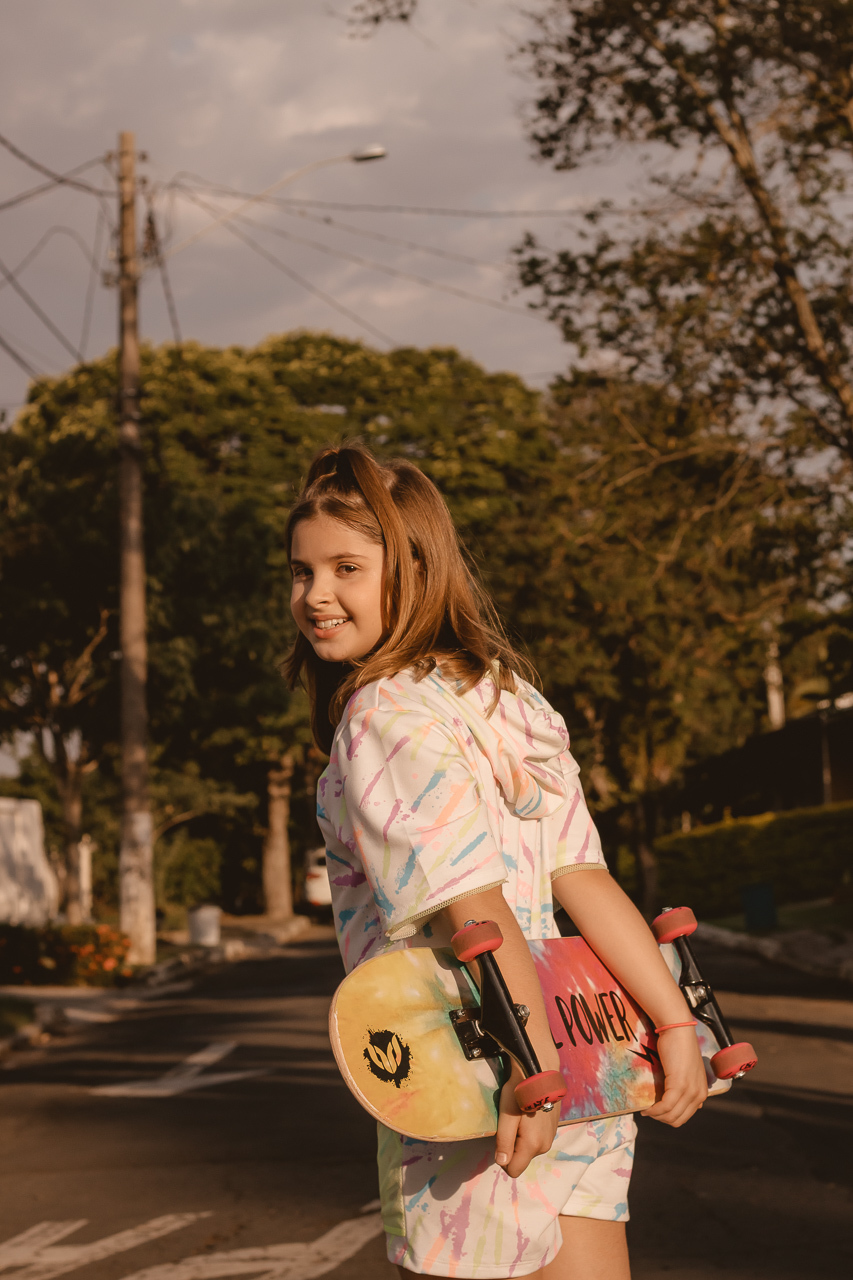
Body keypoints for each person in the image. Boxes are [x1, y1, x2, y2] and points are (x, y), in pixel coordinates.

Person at [284, 443, 707, 1280]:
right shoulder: (506, 694)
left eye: (345, 568)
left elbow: (473, 911)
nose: (316, 596)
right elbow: (584, 878)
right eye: (300, 572)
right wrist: (673, 1023)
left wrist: (528, 1069)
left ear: (412, 569)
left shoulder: (383, 716)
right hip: (586, 1072)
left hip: (479, 1076)